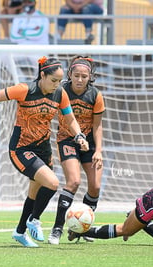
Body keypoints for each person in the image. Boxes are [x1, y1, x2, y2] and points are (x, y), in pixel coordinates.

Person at [0, 56, 89, 248]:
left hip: (43, 150)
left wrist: (79, 136)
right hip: (21, 149)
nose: (57, 85)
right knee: (52, 183)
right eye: (53, 81)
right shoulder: (25, 89)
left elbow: (71, 119)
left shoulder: (60, 94)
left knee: (34, 193)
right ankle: (34, 219)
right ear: (42, 75)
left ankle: (19, 231)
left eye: (59, 81)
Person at [48, 55, 105, 245]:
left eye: (84, 76)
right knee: (73, 181)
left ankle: (81, 229)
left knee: (95, 186)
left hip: (89, 144)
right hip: (67, 140)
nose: (80, 80)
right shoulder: (60, 91)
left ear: (90, 77)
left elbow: (97, 126)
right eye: (76, 75)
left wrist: (98, 151)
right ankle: (57, 229)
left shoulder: (95, 95)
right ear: (70, 74)